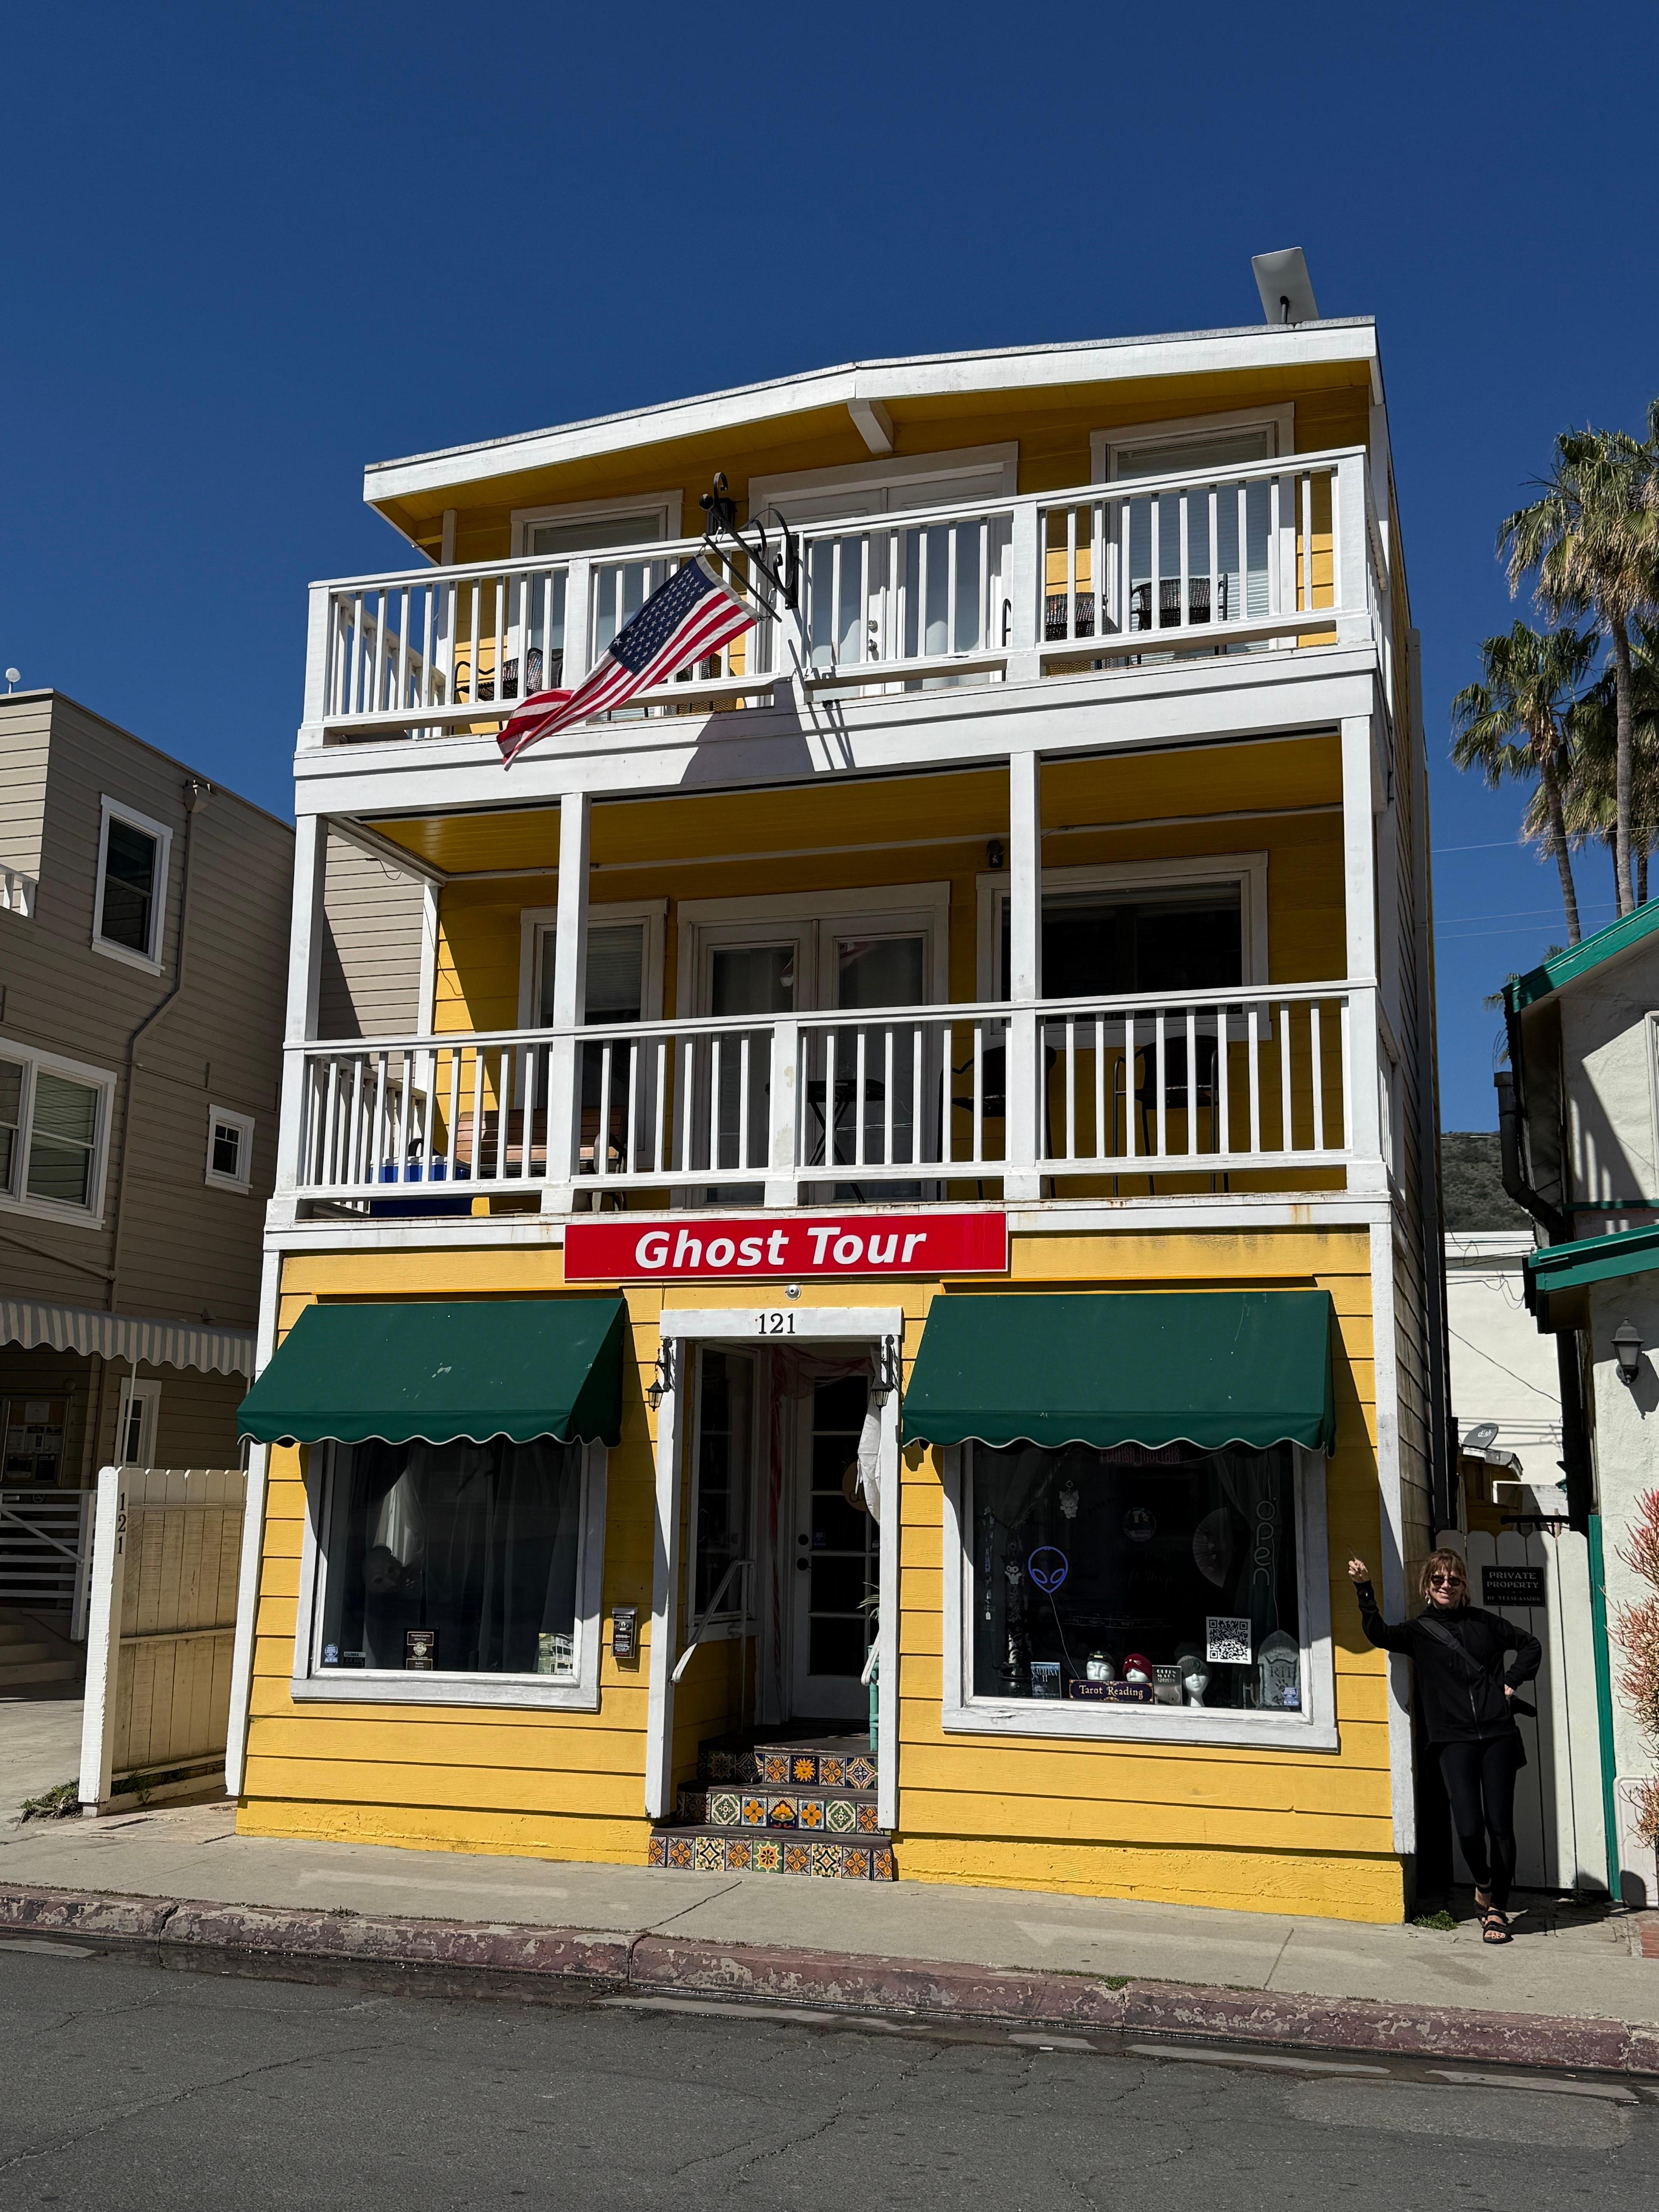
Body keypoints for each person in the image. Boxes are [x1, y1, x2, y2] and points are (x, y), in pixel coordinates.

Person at [1346, 1549, 1541, 1943]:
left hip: (1498, 1735)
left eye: (1453, 1580)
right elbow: (1379, 1634)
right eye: (1439, 1580)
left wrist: (1512, 1682)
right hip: (1452, 1740)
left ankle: (1498, 1911)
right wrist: (1364, 1588)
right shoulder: (1420, 1632)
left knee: (1501, 1826)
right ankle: (1484, 1885)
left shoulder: (1484, 1624)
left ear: (1463, 1585)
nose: (1446, 1586)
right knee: (1469, 1828)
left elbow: (1531, 1644)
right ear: (1428, 1586)